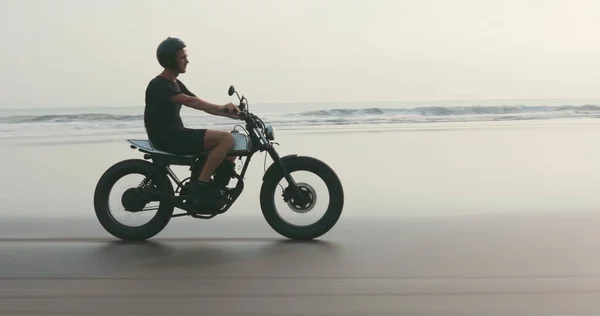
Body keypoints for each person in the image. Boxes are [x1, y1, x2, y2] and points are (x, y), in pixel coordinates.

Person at [144, 37, 241, 209]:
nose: (187, 61)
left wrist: (234, 115)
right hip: (168, 138)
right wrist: (222, 107)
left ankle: (216, 188)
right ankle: (201, 187)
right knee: (226, 139)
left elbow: (200, 104)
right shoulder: (159, 84)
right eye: (182, 57)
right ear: (170, 59)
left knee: (233, 143)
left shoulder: (175, 83)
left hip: (176, 134)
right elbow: (190, 102)